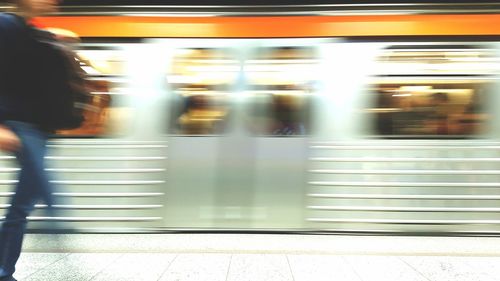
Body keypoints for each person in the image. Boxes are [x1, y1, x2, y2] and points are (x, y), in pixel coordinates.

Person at [0, 0, 62, 280]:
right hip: (18, 124)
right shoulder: (5, 25)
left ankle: (4, 270)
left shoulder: (34, 31)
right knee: (49, 193)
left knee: (22, 205)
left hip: (39, 128)